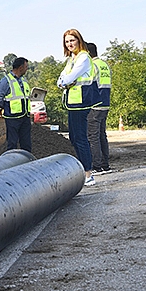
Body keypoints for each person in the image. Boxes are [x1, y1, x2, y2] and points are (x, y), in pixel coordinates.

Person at [57, 29, 101, 186]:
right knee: (74, 137)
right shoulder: (71, 59)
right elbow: (60, 79)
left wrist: (65, 81)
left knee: (81, 138)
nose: (69, 44)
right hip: (72, 103)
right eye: (67, 42)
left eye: (72, 40)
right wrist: (64, 82)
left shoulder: (83, 58)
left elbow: (69, 77)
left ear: (79, 40)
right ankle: (83, 169)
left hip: (81, 102)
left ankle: (88, 173)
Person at [86, 42, 113, 175]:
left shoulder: (92, 66)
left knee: (93, 136)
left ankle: (97, 166)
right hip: (105, 103)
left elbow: (89, 86)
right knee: (102, 135)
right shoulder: (104, 65)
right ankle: (105, 165)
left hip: (94, 105)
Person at [0, 57, 32, 152]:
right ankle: (12, 162)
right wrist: (8, 108)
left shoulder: (24, 81)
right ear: (20, 67)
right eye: (26, 67)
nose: (27, 69)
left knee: (26, 143)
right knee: (12, 143)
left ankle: (27, 162)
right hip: (12, 118)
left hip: (25, 117)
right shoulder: (6, 81)